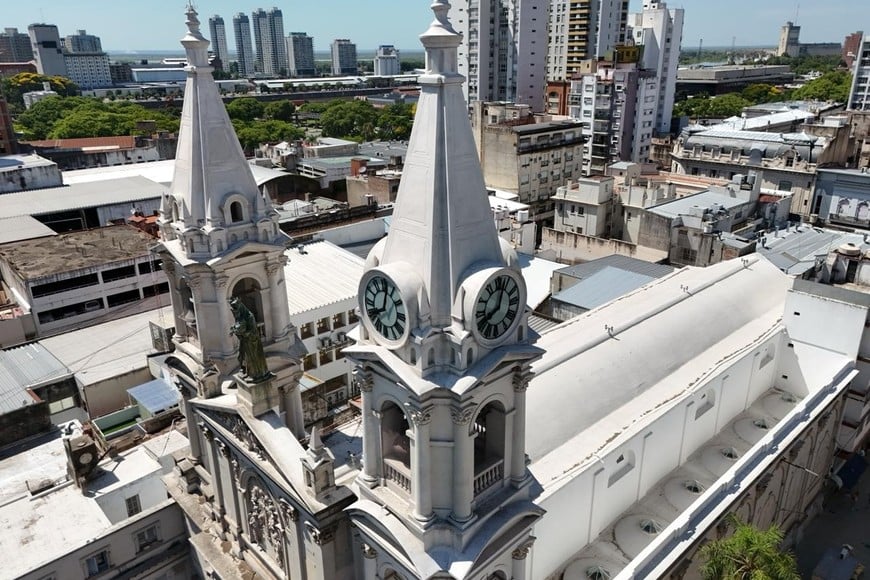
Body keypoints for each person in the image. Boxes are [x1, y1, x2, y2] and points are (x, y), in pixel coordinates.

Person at [229, 297, 271, 382]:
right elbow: (238, 324)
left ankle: (255, 374)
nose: (235, 313)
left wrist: (242, 332)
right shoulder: (240, 315)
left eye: (236, 310)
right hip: (244, 341)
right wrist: (234, 329)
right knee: (241, 357)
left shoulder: (249, 316)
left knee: (251, 359)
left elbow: (253, 332)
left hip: (251, 343)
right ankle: (245, 370)